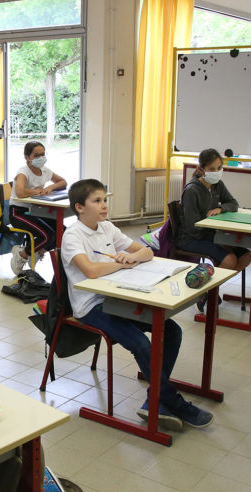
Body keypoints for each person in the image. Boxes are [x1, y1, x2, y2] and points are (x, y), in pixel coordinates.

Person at [62, 179, 212, 429]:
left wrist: (132, 256)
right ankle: (172, 402)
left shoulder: (107, 228)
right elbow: (89, 271)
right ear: (79, 207)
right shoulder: (73, 235)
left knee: (172, 330)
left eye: (105, 200)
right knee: (141, 344)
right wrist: (122, 263)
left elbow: (148, 252)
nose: (104, 206)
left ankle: (155, 398)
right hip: (91, 306)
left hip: (117, 297)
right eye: (97, 201)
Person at [177, 148, 251, 310]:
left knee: (246, 255)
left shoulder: (217, 184)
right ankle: (206, 291)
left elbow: (233, 203)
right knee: (230, 259)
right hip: (191, 239)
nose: (217, 172)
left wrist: (221, 208)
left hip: (213, 235)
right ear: (201, 170)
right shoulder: (192, 190)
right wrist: (218, 240)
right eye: (212, 169)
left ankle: (209, 291)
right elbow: (192, 228)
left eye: (219, 168)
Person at [9, 141, 67, 275]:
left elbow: (63, 182)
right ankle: (22, 254)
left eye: (43, 154)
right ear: (27, 157)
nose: (41, 158)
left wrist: (50, 187)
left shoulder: (45, 170)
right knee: (47, 236)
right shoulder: (23, 172)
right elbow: (20, 192)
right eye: (36, 155)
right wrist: (38, 191)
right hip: (18, 212)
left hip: (35, 212)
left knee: (62, 231)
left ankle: (37, 251)